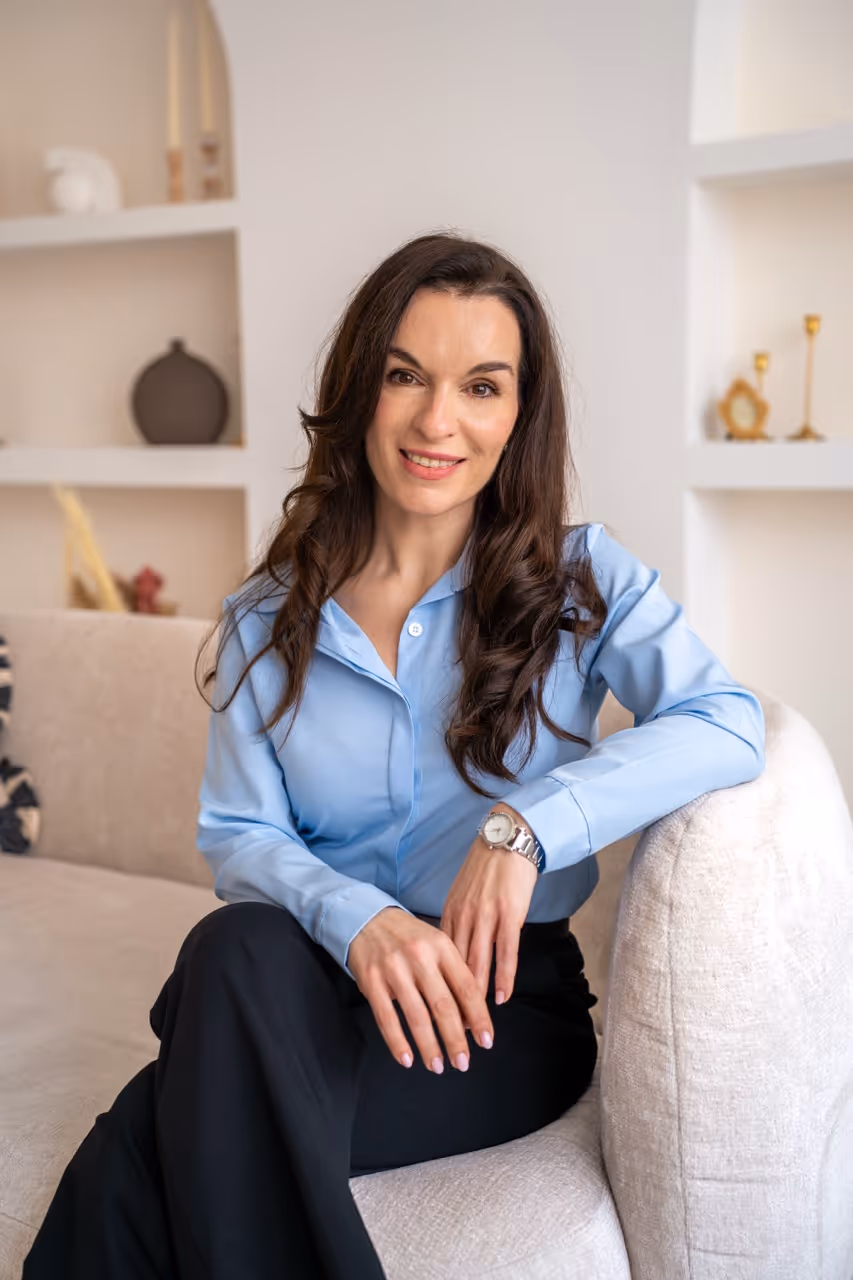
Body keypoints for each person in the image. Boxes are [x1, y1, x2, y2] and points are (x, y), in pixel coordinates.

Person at [23, 232, 765, 1279]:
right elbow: (239, 835)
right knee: (233, 949)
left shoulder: (580, 581)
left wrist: (526, 826)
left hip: (494, 1011)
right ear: (359, 386)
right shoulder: (262, 618)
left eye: (480, 385)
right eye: (404, 374)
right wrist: (356, 918)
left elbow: (727, 719)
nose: (436, 419)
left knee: (145, 1138)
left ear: (518, 415)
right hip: (306, 985)